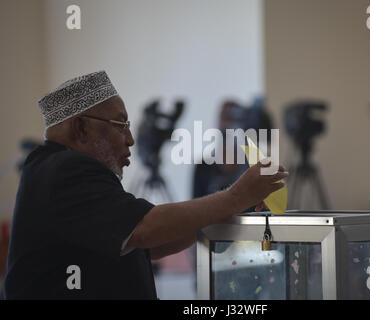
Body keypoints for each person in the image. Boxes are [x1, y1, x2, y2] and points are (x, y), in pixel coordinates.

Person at [0, 71, 288, 299]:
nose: (131, 140)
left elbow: (147, 246)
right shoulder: (64, 170)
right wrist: (237, 195)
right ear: (81, 128)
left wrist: (227, 214)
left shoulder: (57, 170)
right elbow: (145, 230)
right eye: (120, 125)